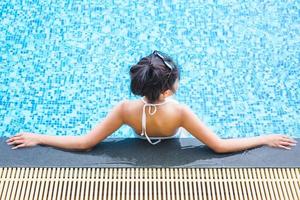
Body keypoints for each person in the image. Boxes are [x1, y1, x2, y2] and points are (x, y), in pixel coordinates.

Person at [6, 50, 297, 153]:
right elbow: (219, 146)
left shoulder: (125, 110)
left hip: (143, 135)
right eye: (176, 79)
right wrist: (265, 138)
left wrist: (38, 137)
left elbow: (85, 143)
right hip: (170, 139)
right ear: (168, 91)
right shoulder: (180, 113)